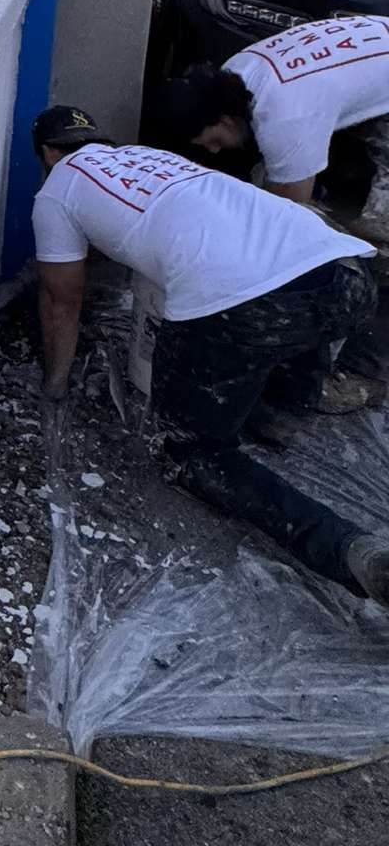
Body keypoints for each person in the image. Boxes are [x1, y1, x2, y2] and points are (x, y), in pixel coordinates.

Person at [30, 103, 389, 605]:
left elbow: (61, 300)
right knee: (289, 317)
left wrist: (55, 384)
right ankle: (290, 401)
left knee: (189, 452)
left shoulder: (56, 192)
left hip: (250, 306)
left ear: (48, 153)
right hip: (347, 273)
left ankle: (350, 549)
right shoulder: (147, 157)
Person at [153, 14, 389, 233]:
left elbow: (287, 215)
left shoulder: (286, 118)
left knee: (374, 213)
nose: (215, 149)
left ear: (224, 120)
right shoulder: (237, 68)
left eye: (214, 140)